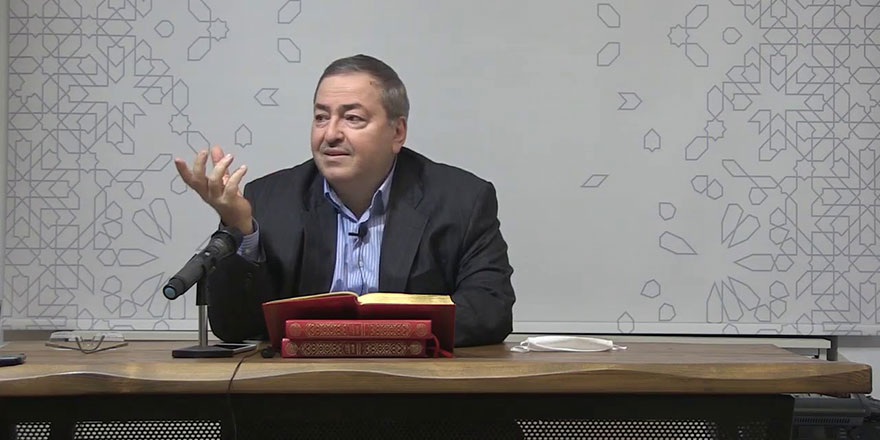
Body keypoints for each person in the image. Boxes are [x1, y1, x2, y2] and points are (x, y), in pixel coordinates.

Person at [173, 54, 514, 347]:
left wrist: (367, 336)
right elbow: (234, 327)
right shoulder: (268, 201)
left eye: (352, 118)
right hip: (303, 390)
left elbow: (489, 311)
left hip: (414, 388)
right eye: (321, 117)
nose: (331, 133)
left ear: (397, 132)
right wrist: (240, 227)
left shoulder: (461, 200)